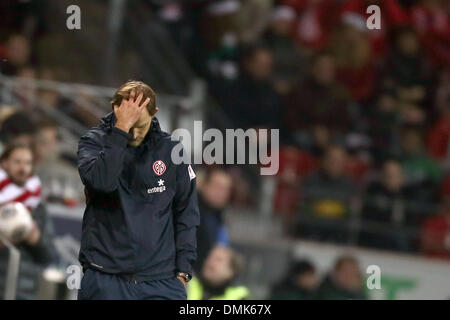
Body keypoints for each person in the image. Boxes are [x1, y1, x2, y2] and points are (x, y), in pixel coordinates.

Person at [76, 80, 200, 300]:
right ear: (116, 109)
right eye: (128, 125)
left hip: (161, 283)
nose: (132, 134)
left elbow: (186, 213)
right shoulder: (93, 142)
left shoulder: (172, 151)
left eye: (139, 126)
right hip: (106, 278)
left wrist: (183, 272)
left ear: (155, 114)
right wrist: (120, 130)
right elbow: (103, 183)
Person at [0, 143, 56, 299]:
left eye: (27, 163)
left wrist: (36, 240)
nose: (23, 168)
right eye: (17, 162)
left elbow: (48, 258)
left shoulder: (38, 207)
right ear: (4, 163)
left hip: (24, 292)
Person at [194, 167, 233, 274]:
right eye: (218, 187)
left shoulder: (217, 215)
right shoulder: (189, 211)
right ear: (204, 186)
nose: (222, 193)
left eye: (226, 189)